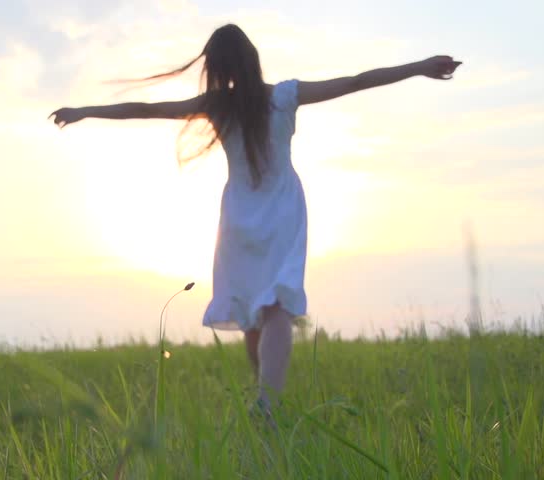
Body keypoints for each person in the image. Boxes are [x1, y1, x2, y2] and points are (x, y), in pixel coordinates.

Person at [49, 24, 461, 414]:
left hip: (239, 216)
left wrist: (84, 110)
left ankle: (266, 400)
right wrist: (419, 67)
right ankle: (267, 400)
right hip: (282, 208)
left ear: (217, 68)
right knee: (272, 306)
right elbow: (356, 81)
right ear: (251, 59)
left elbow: (144, 109)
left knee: (254, 310)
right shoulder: (284, 95)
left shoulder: (218, 107)